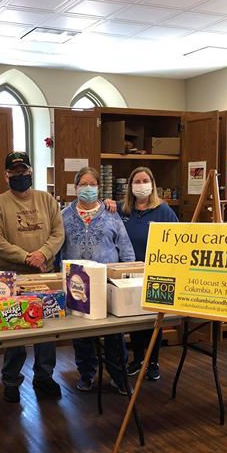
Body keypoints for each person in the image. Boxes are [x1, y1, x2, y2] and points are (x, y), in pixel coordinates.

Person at [0, 152, 65, 403]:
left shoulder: (46, 199)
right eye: (14, 172)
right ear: (6, 175)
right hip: (12, 277)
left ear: (31, 171)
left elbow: (58, 232)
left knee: (47, 330)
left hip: (45, 273)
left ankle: (44, 377)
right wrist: (26, 256)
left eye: (24, 170)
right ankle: (11, 379)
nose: (20, 175)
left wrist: (42, 253)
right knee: (14, 330)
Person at [60, 166, 136, 393]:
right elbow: (58, 250)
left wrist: (127, 276)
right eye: (83, 184)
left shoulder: (111, 214)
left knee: (114, 334)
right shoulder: (63, 215)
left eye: (92, 184)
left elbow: (125, 248)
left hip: (107, 284)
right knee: (82, 335)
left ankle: (119, 375)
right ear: (76, 188)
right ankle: (86, 374)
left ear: (98, 188)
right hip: (77, 285)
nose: (88, 189)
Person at [115, 166, 178, 381]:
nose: (141, 185)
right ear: (130, 186)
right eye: (137, 181)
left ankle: (153, 362)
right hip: (129, 274)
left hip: (156, 273)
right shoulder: (123, 210)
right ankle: (138, 358)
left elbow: (177, 239)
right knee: (134, 318)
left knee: (153, 319)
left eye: (145, 180)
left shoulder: (164, 210)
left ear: (152, 184)